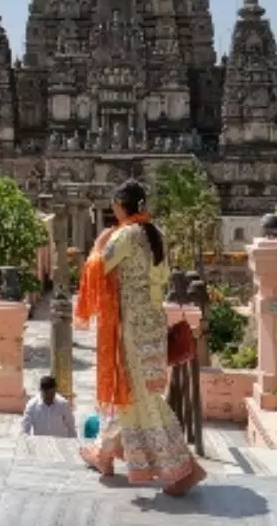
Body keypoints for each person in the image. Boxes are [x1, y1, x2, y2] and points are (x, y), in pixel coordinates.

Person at [75, 179, 204, 494]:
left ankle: (185, 469)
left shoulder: (126, 234)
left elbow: (97, 267)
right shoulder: (155, 233)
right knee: (130, 394)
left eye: (114, 206)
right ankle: (104, 454)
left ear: (121, 206)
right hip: (153, 323)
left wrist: (98, 243)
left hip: (130, 327)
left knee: (141, 396)